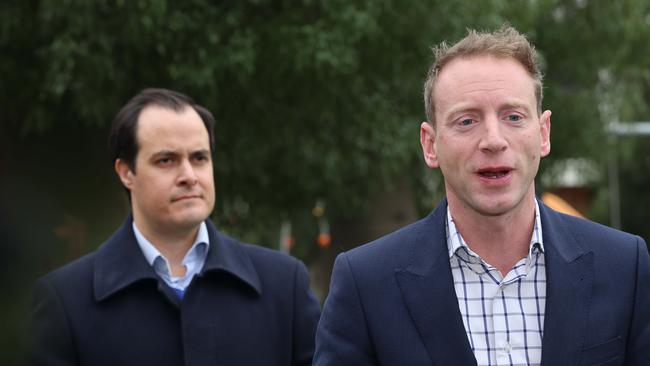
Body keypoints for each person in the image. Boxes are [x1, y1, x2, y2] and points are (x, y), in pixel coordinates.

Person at [314, 26, 650, 366]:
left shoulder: (625, 267)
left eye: (513, 117)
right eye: (466, 121)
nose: (493, 139)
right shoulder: (365, 284)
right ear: (430, 145)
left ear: (543, 133)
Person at [31, 88, 321, 366]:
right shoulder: (65, 302)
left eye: (199, 158)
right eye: (166, 160)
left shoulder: (284, 285)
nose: (188, 176)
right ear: (126, 172)